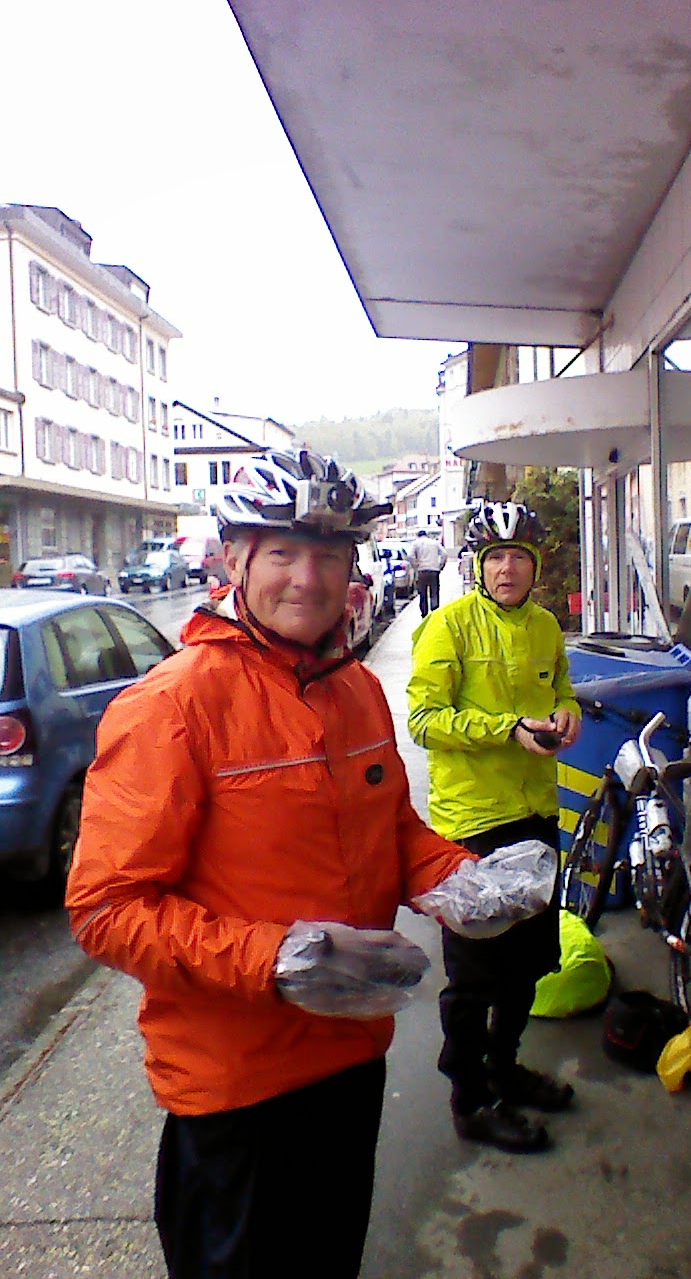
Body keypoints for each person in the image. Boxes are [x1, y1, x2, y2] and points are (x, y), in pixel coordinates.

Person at [65, 449, 488, 1279]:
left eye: (329, 555)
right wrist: (275, 958)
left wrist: (455, 876)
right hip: (238, 1092)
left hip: (352, 1059)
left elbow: (390, 830)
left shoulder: (356, 690)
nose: (308, 578)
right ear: (236, 561)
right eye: (283, 553)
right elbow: (106, 910)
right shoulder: (170, 706)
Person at [407, 500, 582, 1154]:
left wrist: (567, 711)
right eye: (496, 557)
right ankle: (471, 1098)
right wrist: (505, 729)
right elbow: (424, 721)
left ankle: (506, 1068)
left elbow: (561, 689)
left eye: (519, 557)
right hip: (474, 826)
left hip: (536, 816)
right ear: (479, 566)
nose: (507, 569)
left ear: (536, 566)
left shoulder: (545, 626)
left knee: (529, 963)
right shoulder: (448, 626)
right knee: (475, 975)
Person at [408, 528, 447, 615]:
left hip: (422, 571)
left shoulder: (415, 543)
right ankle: (435, 611)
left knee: (422, 593)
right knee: (434, 592)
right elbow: (444, 554)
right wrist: (440, 566)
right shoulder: (434, 543)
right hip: (434, 570)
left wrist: (415, 565)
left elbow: (410, 555)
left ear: (418, 535)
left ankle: (424, 613)